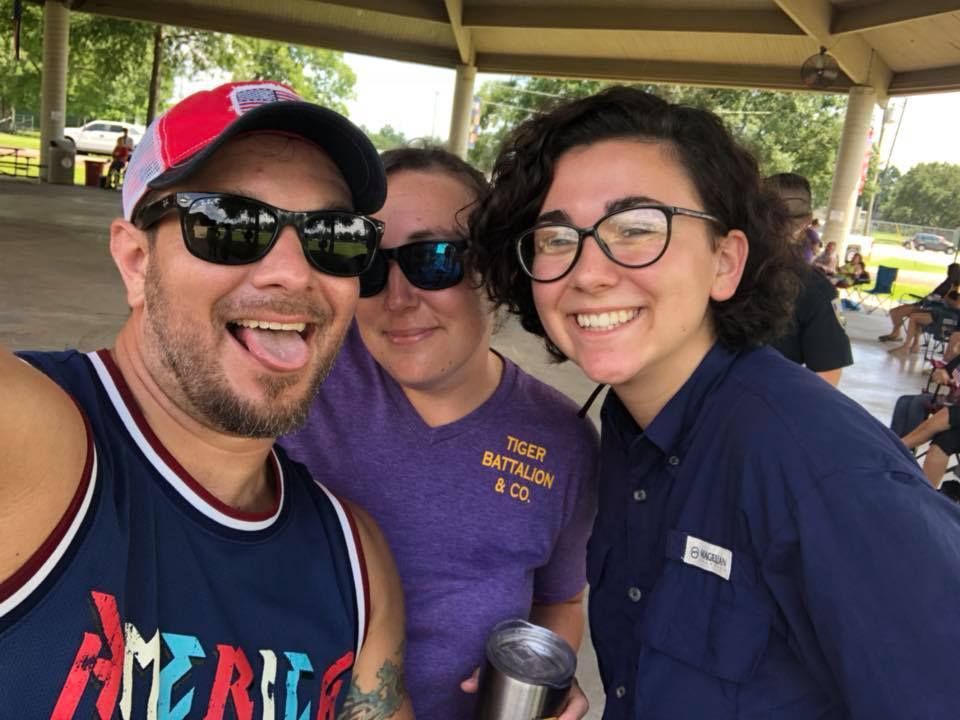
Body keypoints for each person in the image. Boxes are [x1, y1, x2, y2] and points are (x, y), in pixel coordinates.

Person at [471, 86, 960, 719]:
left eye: (638, 228)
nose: (587, 272)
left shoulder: (821, 472)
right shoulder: (627, 429)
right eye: (557, 238)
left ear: (724, 262)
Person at [0, 81, 412, 718]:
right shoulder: (35, 442)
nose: (294, 272)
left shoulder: (358, 564)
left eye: (333, 235)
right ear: (136, 262)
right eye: (230, 225)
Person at [281, 147, 599, 719]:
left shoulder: (563, 440)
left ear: (495, 270)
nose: (400, 299)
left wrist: (546, 678)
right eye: (372, 266)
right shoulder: (294, 386)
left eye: (435, 260)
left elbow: (561, 598)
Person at [765, 173, 852, 385]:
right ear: (807, 220)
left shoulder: (719, 266)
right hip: (768, 406)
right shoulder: (817, 289)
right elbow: (827, 375)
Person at [879, 262, 960, 342]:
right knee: (894, 312)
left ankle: (896, 335)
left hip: (930, 308)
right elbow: (936, 294)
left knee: (897, 312)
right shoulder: (948, 282)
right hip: (924, 303)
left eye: (952, 271)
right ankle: (895, 333)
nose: (949, 272)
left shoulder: (954, 286)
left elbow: (949, 302)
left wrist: (938, 299)